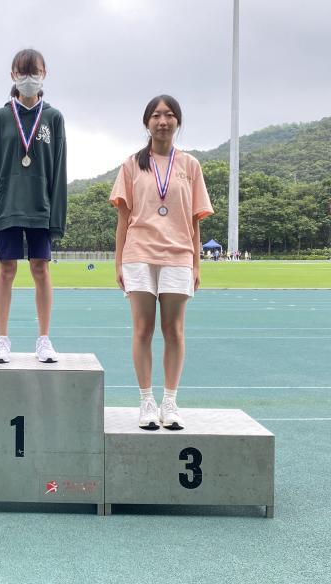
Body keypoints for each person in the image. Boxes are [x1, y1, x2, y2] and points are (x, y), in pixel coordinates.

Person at [110, 95, 213, 430]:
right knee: (142, 329)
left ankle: (170, 401)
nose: (163, 121)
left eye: (169, 115)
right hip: (139, 254)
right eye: (156, 115)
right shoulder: (131, 165)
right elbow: (123, 219)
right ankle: (146, 402)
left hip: (178, 256)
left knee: (174, 330)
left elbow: (196, 222)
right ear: (147, 123)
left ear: (177, 122)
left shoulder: (191, 166)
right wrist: (118, 263)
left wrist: (196, 264)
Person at [0, 48, 67, 364]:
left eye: (35, 71)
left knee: (41, 269)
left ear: (45, 74)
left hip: (41, 207)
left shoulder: (54, 118)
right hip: (7, 206)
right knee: (6, 270)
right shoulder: (0, 118)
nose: (29, 78)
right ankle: (2, 339)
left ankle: (44, 339)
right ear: (13, 76)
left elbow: (59, 171)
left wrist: (57, 218)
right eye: (23, 72)